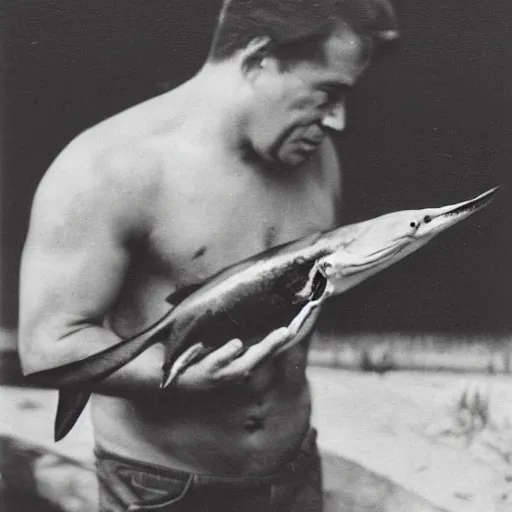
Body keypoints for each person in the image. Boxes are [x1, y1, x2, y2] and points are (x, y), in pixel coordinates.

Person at [18, 0, 398, 510]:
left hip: (295, 471)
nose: (337, 122)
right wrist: (172, 379)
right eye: (327, 92)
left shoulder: (314, 157)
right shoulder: (108, 168)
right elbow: (49, 345)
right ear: (259, 58)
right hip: (162, 489)